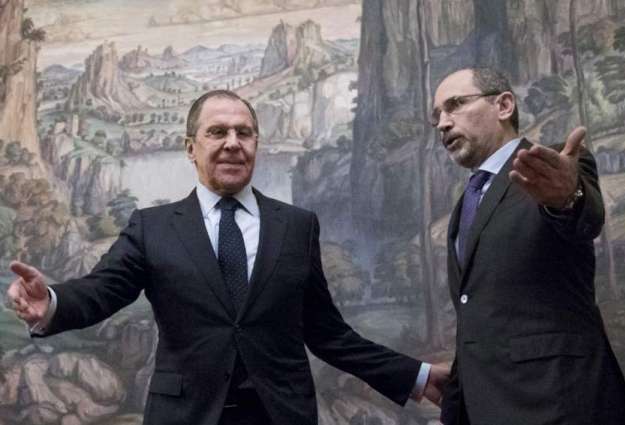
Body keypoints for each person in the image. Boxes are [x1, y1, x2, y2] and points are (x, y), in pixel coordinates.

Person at [7, 90, 449, 425]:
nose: (233, 143)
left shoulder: (297, 226)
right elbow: (102, 291)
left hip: (281, 415)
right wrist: (52, 303)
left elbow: (328, 333)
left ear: (256, 144)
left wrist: (415, 375)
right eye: (217, 132)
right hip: (186, 414)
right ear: (190, 147)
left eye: (244, 132)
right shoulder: (152, 226)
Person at [430, 67, 625, 425]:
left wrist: (569, 197)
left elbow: (583, 218)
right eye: (437, 116)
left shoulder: (551, 165)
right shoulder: (469, 200)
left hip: (559, 402)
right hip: (487, 407)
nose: (443, 124)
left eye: (455, 104)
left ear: (504, 105)